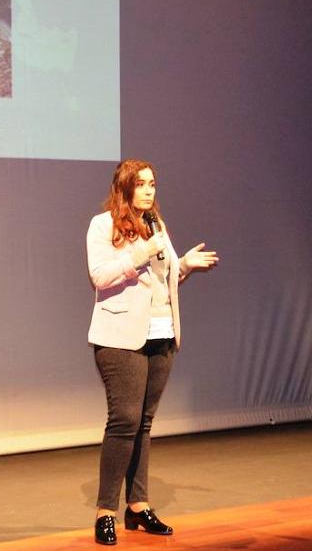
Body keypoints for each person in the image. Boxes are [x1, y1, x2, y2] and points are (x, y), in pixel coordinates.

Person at [85, 159, 219, 545]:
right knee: (124, 421)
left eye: (153, 184)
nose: (149, 190)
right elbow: (100, 276)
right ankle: (105, 511)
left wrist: (186, 266)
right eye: (141, 184)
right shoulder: (102, 224)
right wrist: (141, 252)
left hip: (161, 332)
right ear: (124, 188)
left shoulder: (156, 225)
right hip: (120, 337)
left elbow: (164, 279)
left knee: (143, 423)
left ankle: (138, 506)